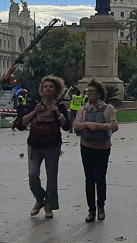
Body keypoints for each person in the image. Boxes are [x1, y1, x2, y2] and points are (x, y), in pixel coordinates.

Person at [23, 75, 72, 218]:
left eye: (51, 86)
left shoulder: (60, 106)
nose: (48, 89)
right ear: (41, 90)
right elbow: (21, 124)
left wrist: (57, 113)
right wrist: (35, 112)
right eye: (45, 86)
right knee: (33, 175)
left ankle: (49, 206)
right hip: (35, 144)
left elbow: (66, 127)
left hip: (52, 145)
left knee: (52, 176)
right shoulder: (34, 104)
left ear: (56, 90)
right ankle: (40, 199)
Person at [74, 78, 119, 223]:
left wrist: (99, 127)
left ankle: (101, 206)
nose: (89, 94)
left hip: (103, 147)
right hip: (86, 147)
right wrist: (88, 124)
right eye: (87, 92)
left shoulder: (108, 109)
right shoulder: (83, 109)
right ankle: (91, 209)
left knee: (100, 177)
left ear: (99, 94)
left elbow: (114, 125)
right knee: (89, 179)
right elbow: (76, 126)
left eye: (92, 91)